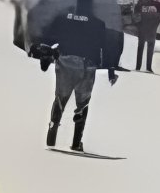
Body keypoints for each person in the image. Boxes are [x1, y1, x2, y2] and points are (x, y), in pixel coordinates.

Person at [42, 10, 119, 151]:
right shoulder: (98, 23)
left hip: (65, 62)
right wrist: (111, 71)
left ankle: (52, 133)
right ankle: (76, 143)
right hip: (87, 65)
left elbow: (48, 39)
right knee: (82, 104)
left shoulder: (63, 17)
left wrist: (44, 54)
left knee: (60, 99)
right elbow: (106, 48)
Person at [135, 0, 160, 72]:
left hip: (142, 28)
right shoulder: (157, 5)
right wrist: (155, 26)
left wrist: (139, 25)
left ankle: (138, 67)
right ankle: (148, 67)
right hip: (152, 29)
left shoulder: (140, 4)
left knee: (140, 47)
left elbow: (135, 17)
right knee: (150, 48)